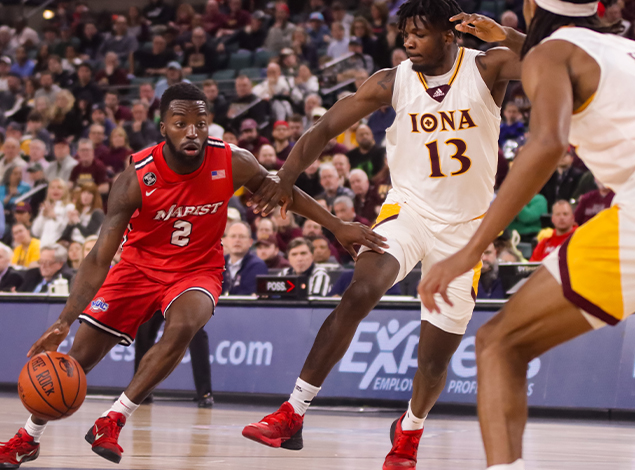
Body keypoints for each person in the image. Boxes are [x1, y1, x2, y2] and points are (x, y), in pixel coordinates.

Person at [0, 83, 380, 468]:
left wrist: (337, 225)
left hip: (197, 268)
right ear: (163, 128)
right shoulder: (135, 178)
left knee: (185, 325)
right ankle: (27, 439)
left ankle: (113, 419)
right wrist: (64, 320)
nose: (192, 132)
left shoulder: (232, 160)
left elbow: (282, 191)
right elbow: (97, 258)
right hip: (137, 267)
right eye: (180, 123)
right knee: (75, 362)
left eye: (200, 123)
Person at [243, 3, 523, 468]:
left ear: (450, 35)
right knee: (362, 289)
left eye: (419, 33)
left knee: (434, 360)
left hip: (466, 231)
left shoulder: (488, 65)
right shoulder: (391, 80)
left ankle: (409, 433)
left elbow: (554, 58)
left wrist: (505, 34)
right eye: (404, 33)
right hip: (408, 210)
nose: (408, 41)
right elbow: (323, 128)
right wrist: (283, 180)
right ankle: (293, 411)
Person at [417, 1, 635, 468]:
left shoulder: (551, 55)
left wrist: (471, 250)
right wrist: (505, 38)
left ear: (532, 5)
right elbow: (557, 57)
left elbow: (548, 141)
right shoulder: (619, 48)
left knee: (499, 345)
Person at [223, 221, 268, 295]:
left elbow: (247, 294)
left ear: (250, 242)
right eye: (233, 236)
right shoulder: (216, 264)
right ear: (226, 241)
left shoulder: (257, 266)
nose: (237, 240)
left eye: (242, 237)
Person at [31, 178, 74, 247]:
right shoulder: (45, 207)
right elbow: (35, 232)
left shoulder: (69, 207)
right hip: (43, 246)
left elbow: (67, 231)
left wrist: (55, 217)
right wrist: (43, 216)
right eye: (52, 188)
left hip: (59, 247)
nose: (55, 190)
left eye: (59, 188)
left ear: (65, 191)